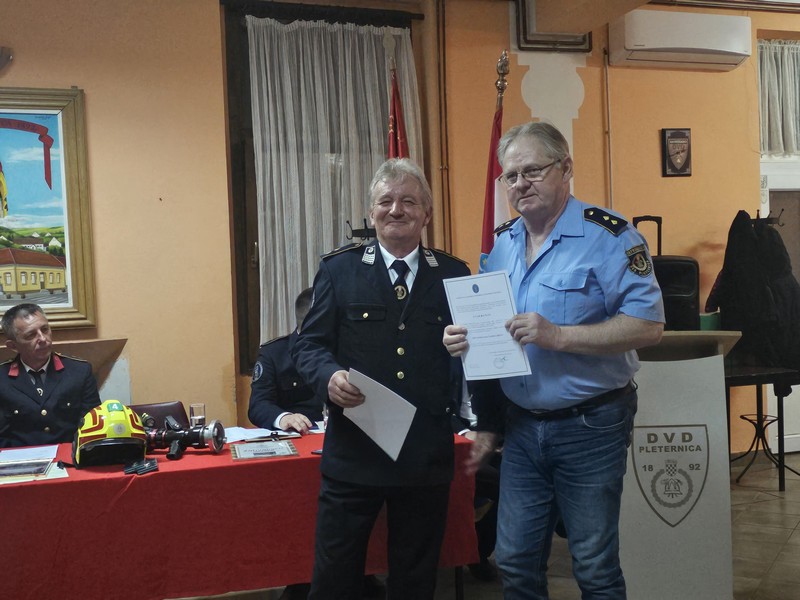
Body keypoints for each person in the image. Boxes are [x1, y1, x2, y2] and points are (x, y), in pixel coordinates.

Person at [444, 122, 664, 599]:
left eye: (532, 171)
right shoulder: (502, 244)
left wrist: (559, 336)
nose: (520, 184)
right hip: (522, 427)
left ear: (566, 168)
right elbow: (494, 331)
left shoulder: (610, 236)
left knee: (594, 567)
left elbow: (648, 326)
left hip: (591, 425)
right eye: (510, 176)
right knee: (516, 562)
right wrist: (464, 339)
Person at [292, 158, 470, 599]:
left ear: (427, 213)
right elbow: (307, 345)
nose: (396, 210)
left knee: (415, 580)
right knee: (334, 579)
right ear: (371, 213)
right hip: (354, 452)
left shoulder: (454, 274)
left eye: (409, 201)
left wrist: (466, 351)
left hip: (424, 455)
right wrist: (328, 376)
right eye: (386, 201)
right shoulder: (339, 270)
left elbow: (476, 357)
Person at [0, 303, 101, 448]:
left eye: (45, 329)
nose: (42, 338)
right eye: (31, 335)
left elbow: (91, 428)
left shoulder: (79, 371)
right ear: (13, 346)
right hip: (20, 458)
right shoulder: (2, 379)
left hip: (70, 456)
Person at [249, 287, 321, 435]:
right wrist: (283, 418)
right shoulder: (274, 353)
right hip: (301, 435)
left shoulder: (346, 349)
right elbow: (258, 405)